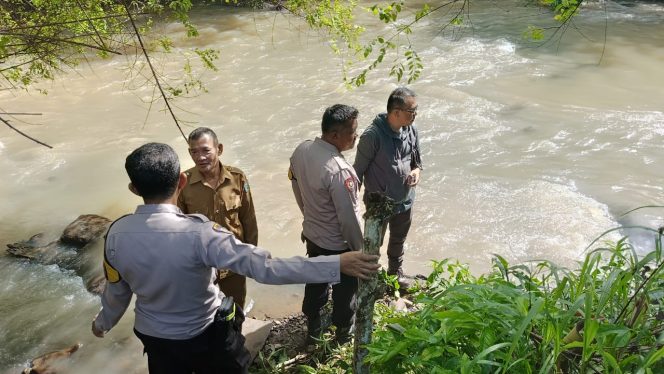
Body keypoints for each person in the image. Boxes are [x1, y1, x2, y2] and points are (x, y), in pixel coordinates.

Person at [91, 142, 379, 374]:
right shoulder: (200, 234)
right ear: (181, 181)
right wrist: (336, 263)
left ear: (134, 189)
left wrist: (103, 323)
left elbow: (117, 291)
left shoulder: (116, 234)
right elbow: (266, 268)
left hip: (156, 340)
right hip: (206, 337)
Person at [288, 104, 363, 343]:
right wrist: (360, 251)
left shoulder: (301, 150)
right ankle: (343, 332)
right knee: (344, 290)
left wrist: (307, 217)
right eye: (353, 131)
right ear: (334, 135)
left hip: (312, 234)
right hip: (337, 244)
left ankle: (314, 327)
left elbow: (296, 186)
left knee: (316, 280)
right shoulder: (339, 171)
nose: (356, 136)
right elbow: (349, 219)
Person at [177, 127, 255, 308]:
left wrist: (251, 256)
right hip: (202, 268)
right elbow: (178, 228)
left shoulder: (237, 178)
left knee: (235, 312)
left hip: (234, 263)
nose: (200, 157)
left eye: (206, 150)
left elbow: (248, 219)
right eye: (194, 152)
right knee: (206, 316)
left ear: (219, 149)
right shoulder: (183, 183)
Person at [353, 87, 423, 290]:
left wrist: (416, 173)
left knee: (398, 240)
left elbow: (417, 162)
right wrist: (349, 206)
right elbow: (357, 172)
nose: (415, 115)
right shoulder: (372, 136)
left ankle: (395, 274)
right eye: (412, 111)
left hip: (405, 199)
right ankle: (368, 282)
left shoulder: (411, 130)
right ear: (396, 112)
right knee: (374, 244)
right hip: (378, 203)